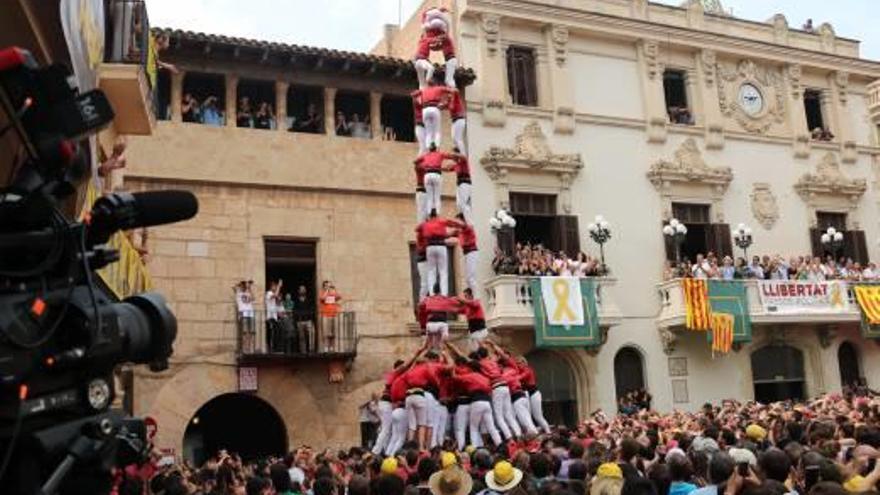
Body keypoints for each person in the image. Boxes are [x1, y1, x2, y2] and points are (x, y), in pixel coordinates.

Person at [419, 211, 460, 296]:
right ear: (437, 215)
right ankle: (444, 293)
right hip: (441, 246)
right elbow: (451, 224)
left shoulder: (426, 224)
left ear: (430, 216)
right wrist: (457, 227)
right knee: (443, 271)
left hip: (430, 247)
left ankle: (432, 293)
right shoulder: (441, 221)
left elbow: (417, 229)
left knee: (431, 271)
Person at [414, 149, 457, 219]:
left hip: (425, 190)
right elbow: (418, 164)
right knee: (422, 213)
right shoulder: (421, 166)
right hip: (422, 191)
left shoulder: (427, 165)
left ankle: (433, 218)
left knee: (431, 208)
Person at [454, 213, 478, 293]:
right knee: (467, 279)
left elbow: (464, 226)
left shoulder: (468, 228)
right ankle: (471, 296)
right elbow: (449, 234)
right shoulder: (460, 231)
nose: (456, 224)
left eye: (458, 221)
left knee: (471, 278)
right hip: (466, 254)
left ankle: (477, 296)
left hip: (471, 252)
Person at [319, 281, 342, 352]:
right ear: (324, 287)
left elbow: (339, 297)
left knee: (333, 332)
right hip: (325, 315)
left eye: (328, 285)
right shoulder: (322, 293)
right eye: (326, 286)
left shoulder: (332, 293)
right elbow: (322, 298)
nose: (328, 287)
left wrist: (334, 290)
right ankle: (326, 347)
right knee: (326, 332)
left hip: (333, 315)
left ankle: (332, 347)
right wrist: (326, 291)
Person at [235, 280, 255, 353]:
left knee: (251, 332)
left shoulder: (248, 293)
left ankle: (250, 348)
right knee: (244, 332)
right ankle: (244, 349)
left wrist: (249, 288)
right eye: (243, 285)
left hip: (250, 314)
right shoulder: (238, 293)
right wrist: (241, 283)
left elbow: (253, 298)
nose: (244, 286)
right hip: (244, 314)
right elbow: (234, 287)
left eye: (245, 285)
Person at [265, 279, 282, 352]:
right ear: (271, 287)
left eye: (275, 286)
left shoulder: (272, 293)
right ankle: (270, 349)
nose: (275, 288)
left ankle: (275, 349)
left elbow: (277, 300)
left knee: (276, 334)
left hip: (274, 317)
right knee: (272, 335)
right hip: (270, 317)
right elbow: (275, 295)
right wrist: (279, 286)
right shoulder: (269, 293)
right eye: (274, 286)